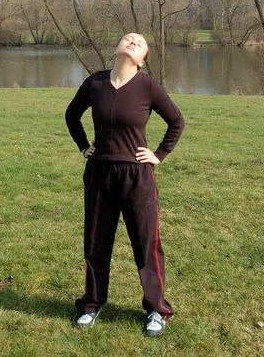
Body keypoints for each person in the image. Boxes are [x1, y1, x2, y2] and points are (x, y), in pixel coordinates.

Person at [65, 32, 185, 336]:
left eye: (139, 42)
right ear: (116, 47)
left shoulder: (148, 87)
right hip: (99, 175)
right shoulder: (95, 83)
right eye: (127, 38)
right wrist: (83, 146)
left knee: (146, 245)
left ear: (142, 60)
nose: (132, 41)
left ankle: (157, 309)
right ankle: (91, 304)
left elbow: (176, 122)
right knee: (95, 243)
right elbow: (71, 115)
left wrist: (158, 155)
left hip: (137, 177)